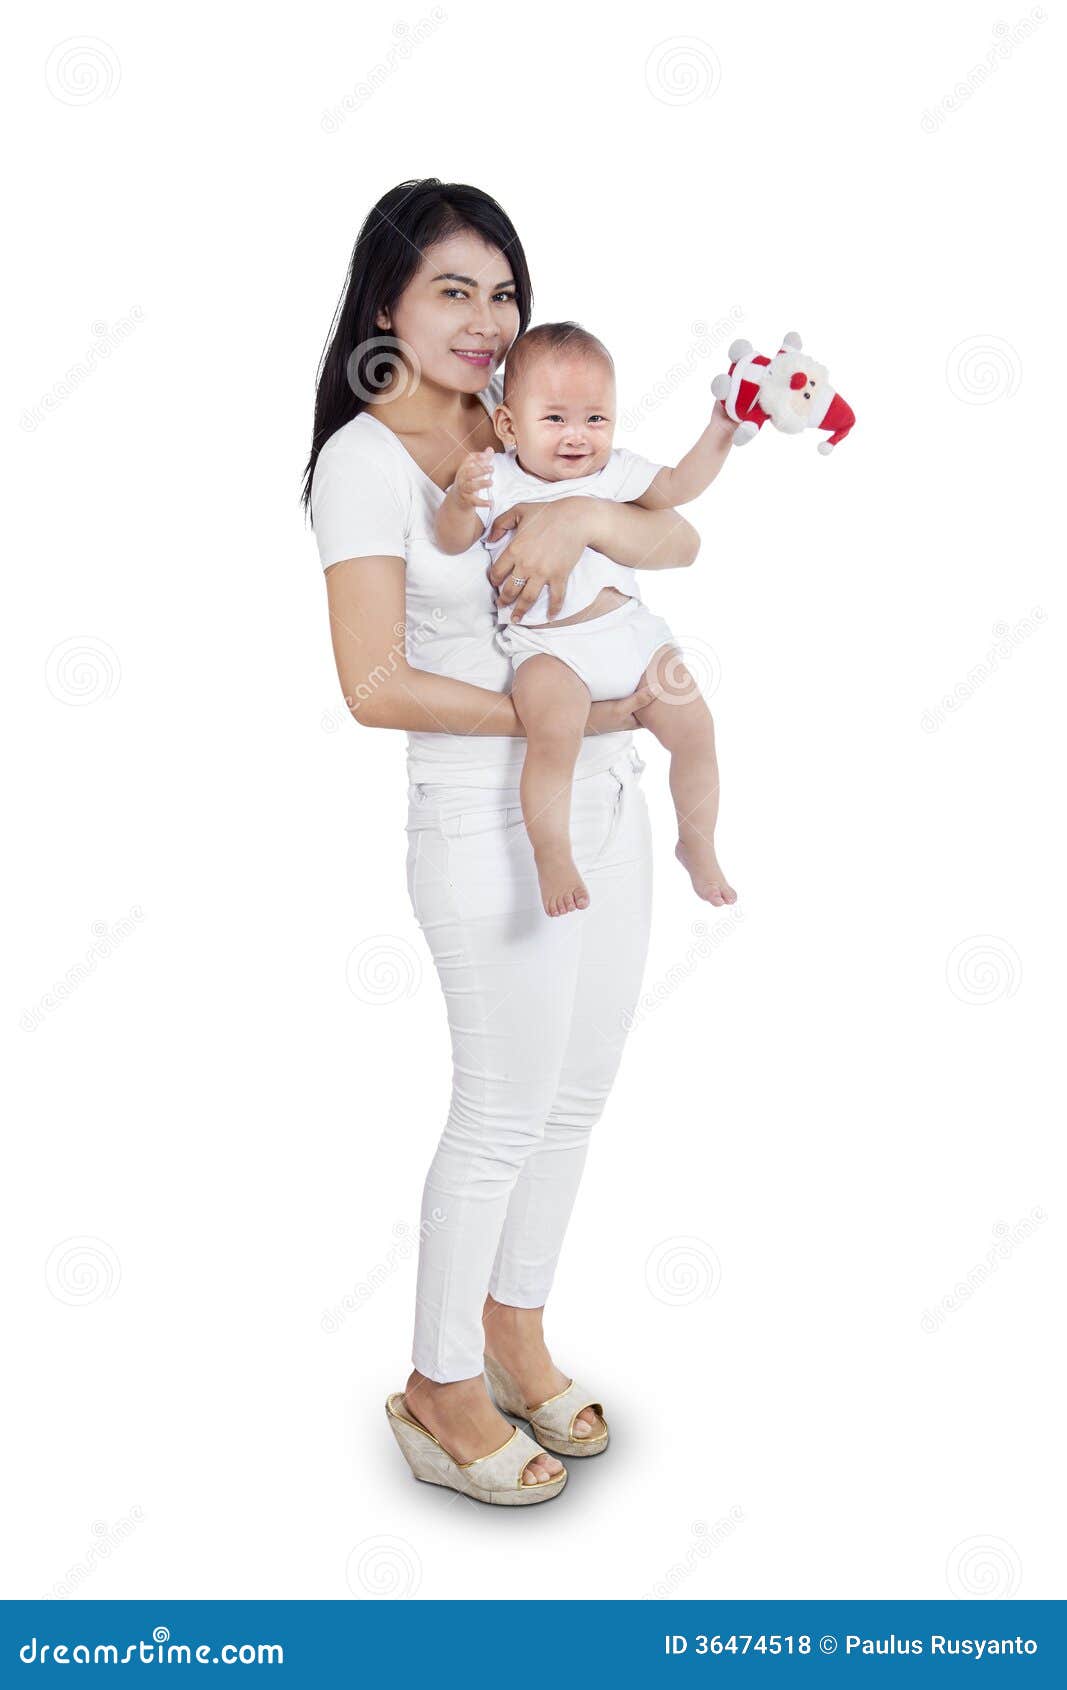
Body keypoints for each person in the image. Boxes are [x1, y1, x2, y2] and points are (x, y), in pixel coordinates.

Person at [307, 180, 699, 1504]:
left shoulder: (529, 416)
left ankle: (512, 1325)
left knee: (576, 1091)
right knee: (499, 1106)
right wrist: (569, 712)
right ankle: (435, 1384)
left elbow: (677, 528)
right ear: (386, 310)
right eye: (451, 292)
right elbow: (369, 683)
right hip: (482, 822)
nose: (487, 320)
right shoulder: (362, 464)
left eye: (502, 290)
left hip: (609, 798)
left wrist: (581, 515)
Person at [434, 319, 739, 917]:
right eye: (555, 419)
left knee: (698, 733)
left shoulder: (614, 473)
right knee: (554, 740)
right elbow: (450, 541)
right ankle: (554, 855)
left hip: (632, 638)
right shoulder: (495, 477)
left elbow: (679, 486)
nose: (578, 436)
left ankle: (697, 844)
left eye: (595, 418)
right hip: (549, 651)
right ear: (508, 425)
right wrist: (459, 499)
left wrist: (720, 430)